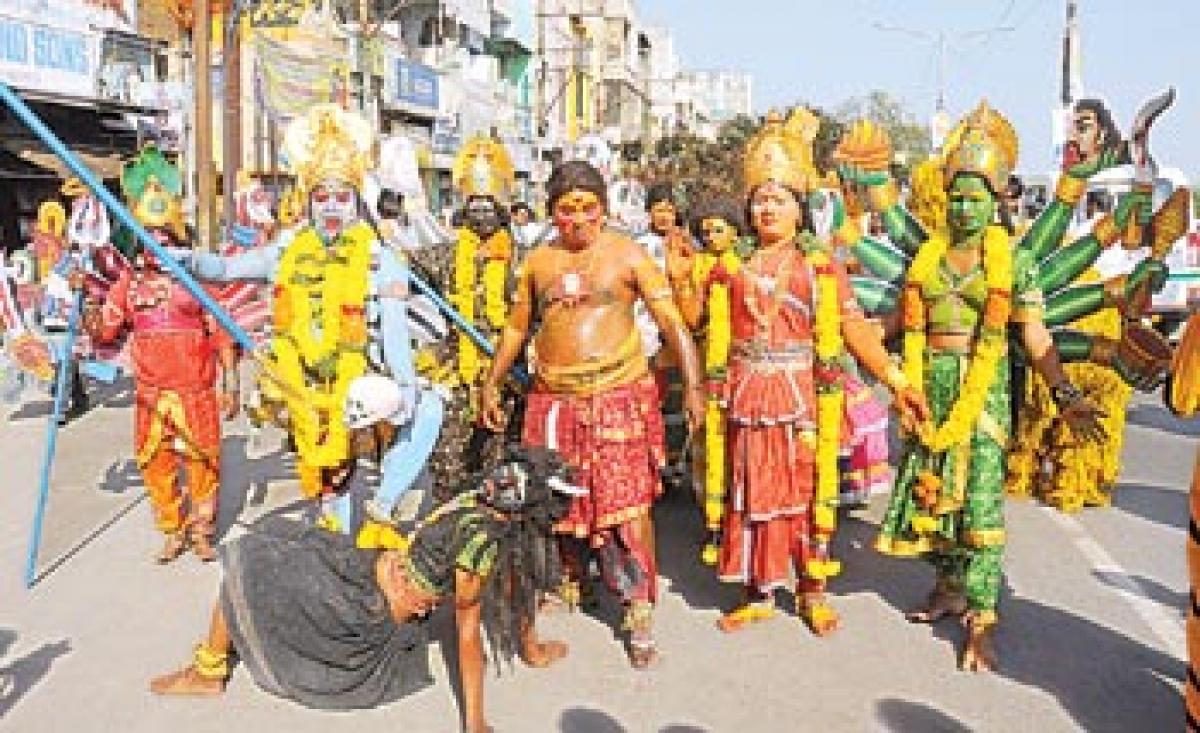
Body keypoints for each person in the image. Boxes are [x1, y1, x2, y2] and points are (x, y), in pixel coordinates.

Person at [840, 102, 1112, 672]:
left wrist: (1064, 394)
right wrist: (840, 333)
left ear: (997, 200)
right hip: (925, 386)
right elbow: (893, 325)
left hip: (982, 394)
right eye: (958, 195)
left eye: (977, 196)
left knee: (981, 504)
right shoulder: (926, 258)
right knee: (933, 495)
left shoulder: (1012, 261)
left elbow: (1034, 336)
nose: (965, 206)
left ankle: (982, 619)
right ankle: (947, 588)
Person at [667, 109, 927, 637]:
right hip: (742, 395)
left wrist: (898, 383)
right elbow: (695, 323)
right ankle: (757, 591)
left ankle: (811, 591)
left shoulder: (819, 266)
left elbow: (853, 327)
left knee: (807, 489)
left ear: (799, 208)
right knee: (749, 489)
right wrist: (674, 280)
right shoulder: (728, 267)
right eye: (760, 199)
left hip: (802, 397)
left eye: (779, 199)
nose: (767, 208)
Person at [149, 443, 573, 733]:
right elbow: (512, 589)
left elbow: (469, 633)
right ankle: (209, 668)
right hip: (361, 574)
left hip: (362, 611)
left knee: (253, 566)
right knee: (261, 551)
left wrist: (474, 721)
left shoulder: (481, 527)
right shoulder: (483, 515)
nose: (495, 479)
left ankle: (208, 672)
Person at [479, 160, 705, 669]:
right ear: (552, 213)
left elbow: (671, 323)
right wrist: (492, 381)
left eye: (587, 208)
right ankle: (572, 579)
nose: (577, 219)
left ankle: (639, 606)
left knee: (627, 508)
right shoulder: (538, 262)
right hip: (552, 398)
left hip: (616, 395)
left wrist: (693, 386)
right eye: (566, 210)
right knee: (557, 501)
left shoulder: (628, 255)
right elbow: (517, 329)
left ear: (602, 210)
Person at [180, 105, 443, 538]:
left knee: (429, 411)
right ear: (307, 203)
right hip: (302, 382)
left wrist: (407, 387)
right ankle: (333, 541)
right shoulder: (286, 252)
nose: (333, 209)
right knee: (330, 473)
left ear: (358, 203)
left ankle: (381, 509)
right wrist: (187, 260)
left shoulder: (380, 258)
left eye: (343, 198)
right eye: (322, 199)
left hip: (365, 379)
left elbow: (395, 331)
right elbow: (227, 271)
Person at [85, 146, 238, 563]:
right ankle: (172, 530)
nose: (159, 246)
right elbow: (106, 330)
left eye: (166, 238)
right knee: (156, 464)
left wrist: (232, 383)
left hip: (196, 391)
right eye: (152, 239)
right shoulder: (128, 286)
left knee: (203, 464)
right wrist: (88, 311)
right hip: (151, 394)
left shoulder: (196, 283)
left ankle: (203, 531)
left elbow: (222, 333)